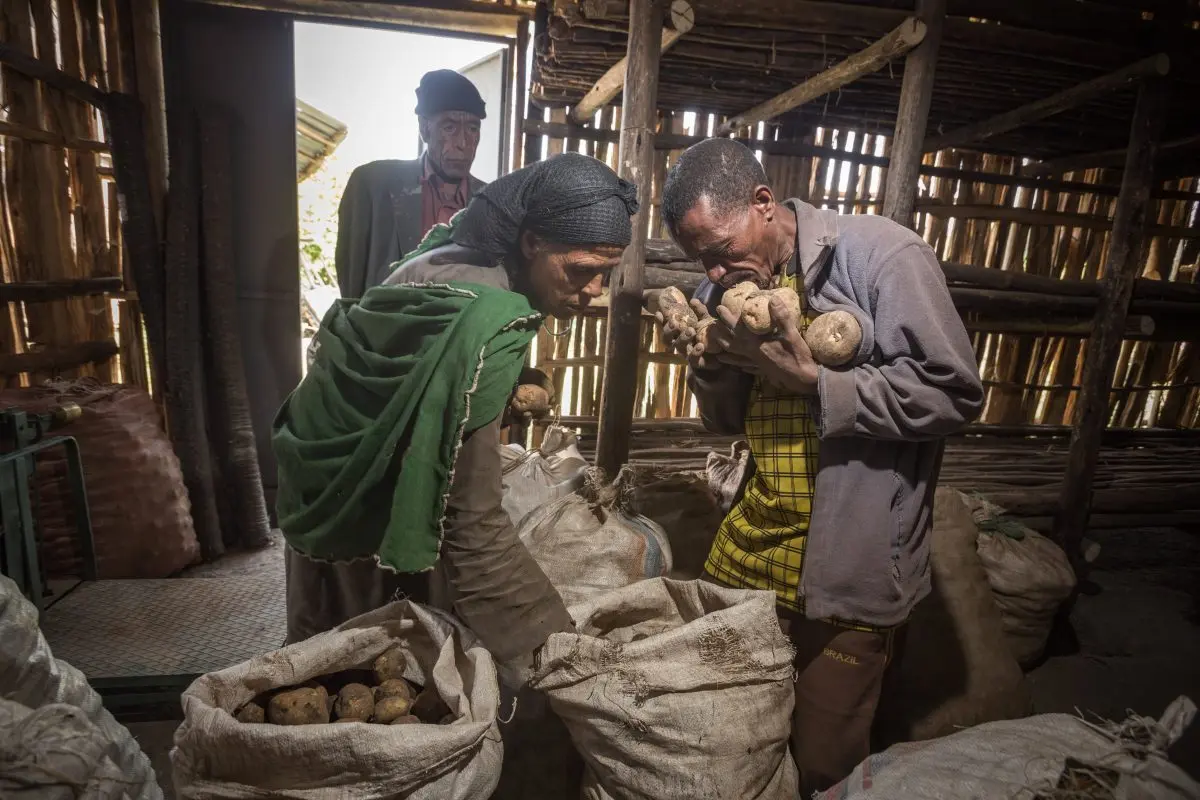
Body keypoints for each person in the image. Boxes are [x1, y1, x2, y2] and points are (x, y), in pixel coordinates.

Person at [658, 138, 984, 794]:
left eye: (720, 249)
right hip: (749, 550)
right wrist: (708, 366)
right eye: (700, 260)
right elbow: (726, 422)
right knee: (728, 736)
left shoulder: (881, 256)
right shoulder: (720, 288)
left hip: (850, 564)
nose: (714, 271)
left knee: (825, 759)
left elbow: (953, 393)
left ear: (763, 203)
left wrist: (816, 384)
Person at [274, 153, 638, 671]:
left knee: (328, 648)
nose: (595, 291)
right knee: (366, 661)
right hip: (354, 490)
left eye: (606, 273)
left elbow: (421, 371)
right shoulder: (488, 319)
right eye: (582, 270)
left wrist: (509, 384)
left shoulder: (450, 253)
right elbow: (472, 529)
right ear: (532, 242)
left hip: (320, 458)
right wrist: (561, 651)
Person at [334, 69, 488, 299]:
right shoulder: (373, 184)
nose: (463, 143)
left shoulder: (491, 201)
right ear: (425, 129)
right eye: (449, 127)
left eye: (473, 129)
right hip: (388, 320)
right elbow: (352, 283)